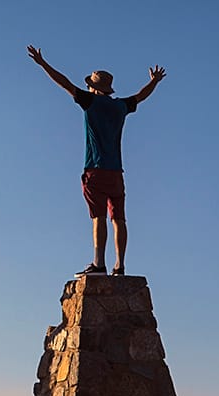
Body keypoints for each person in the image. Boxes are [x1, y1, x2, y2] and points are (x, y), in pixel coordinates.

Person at [27, 44, 166, 277]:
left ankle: (99, 263)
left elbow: (64, 83)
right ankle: (120, 265)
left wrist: (43, 64)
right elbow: (140, 96)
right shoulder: (120, 106)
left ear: (93, 88)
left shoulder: (91, 103)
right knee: (119, 218)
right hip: (116, 172)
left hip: (95, 169)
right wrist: (154, 81)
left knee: (98, 217)